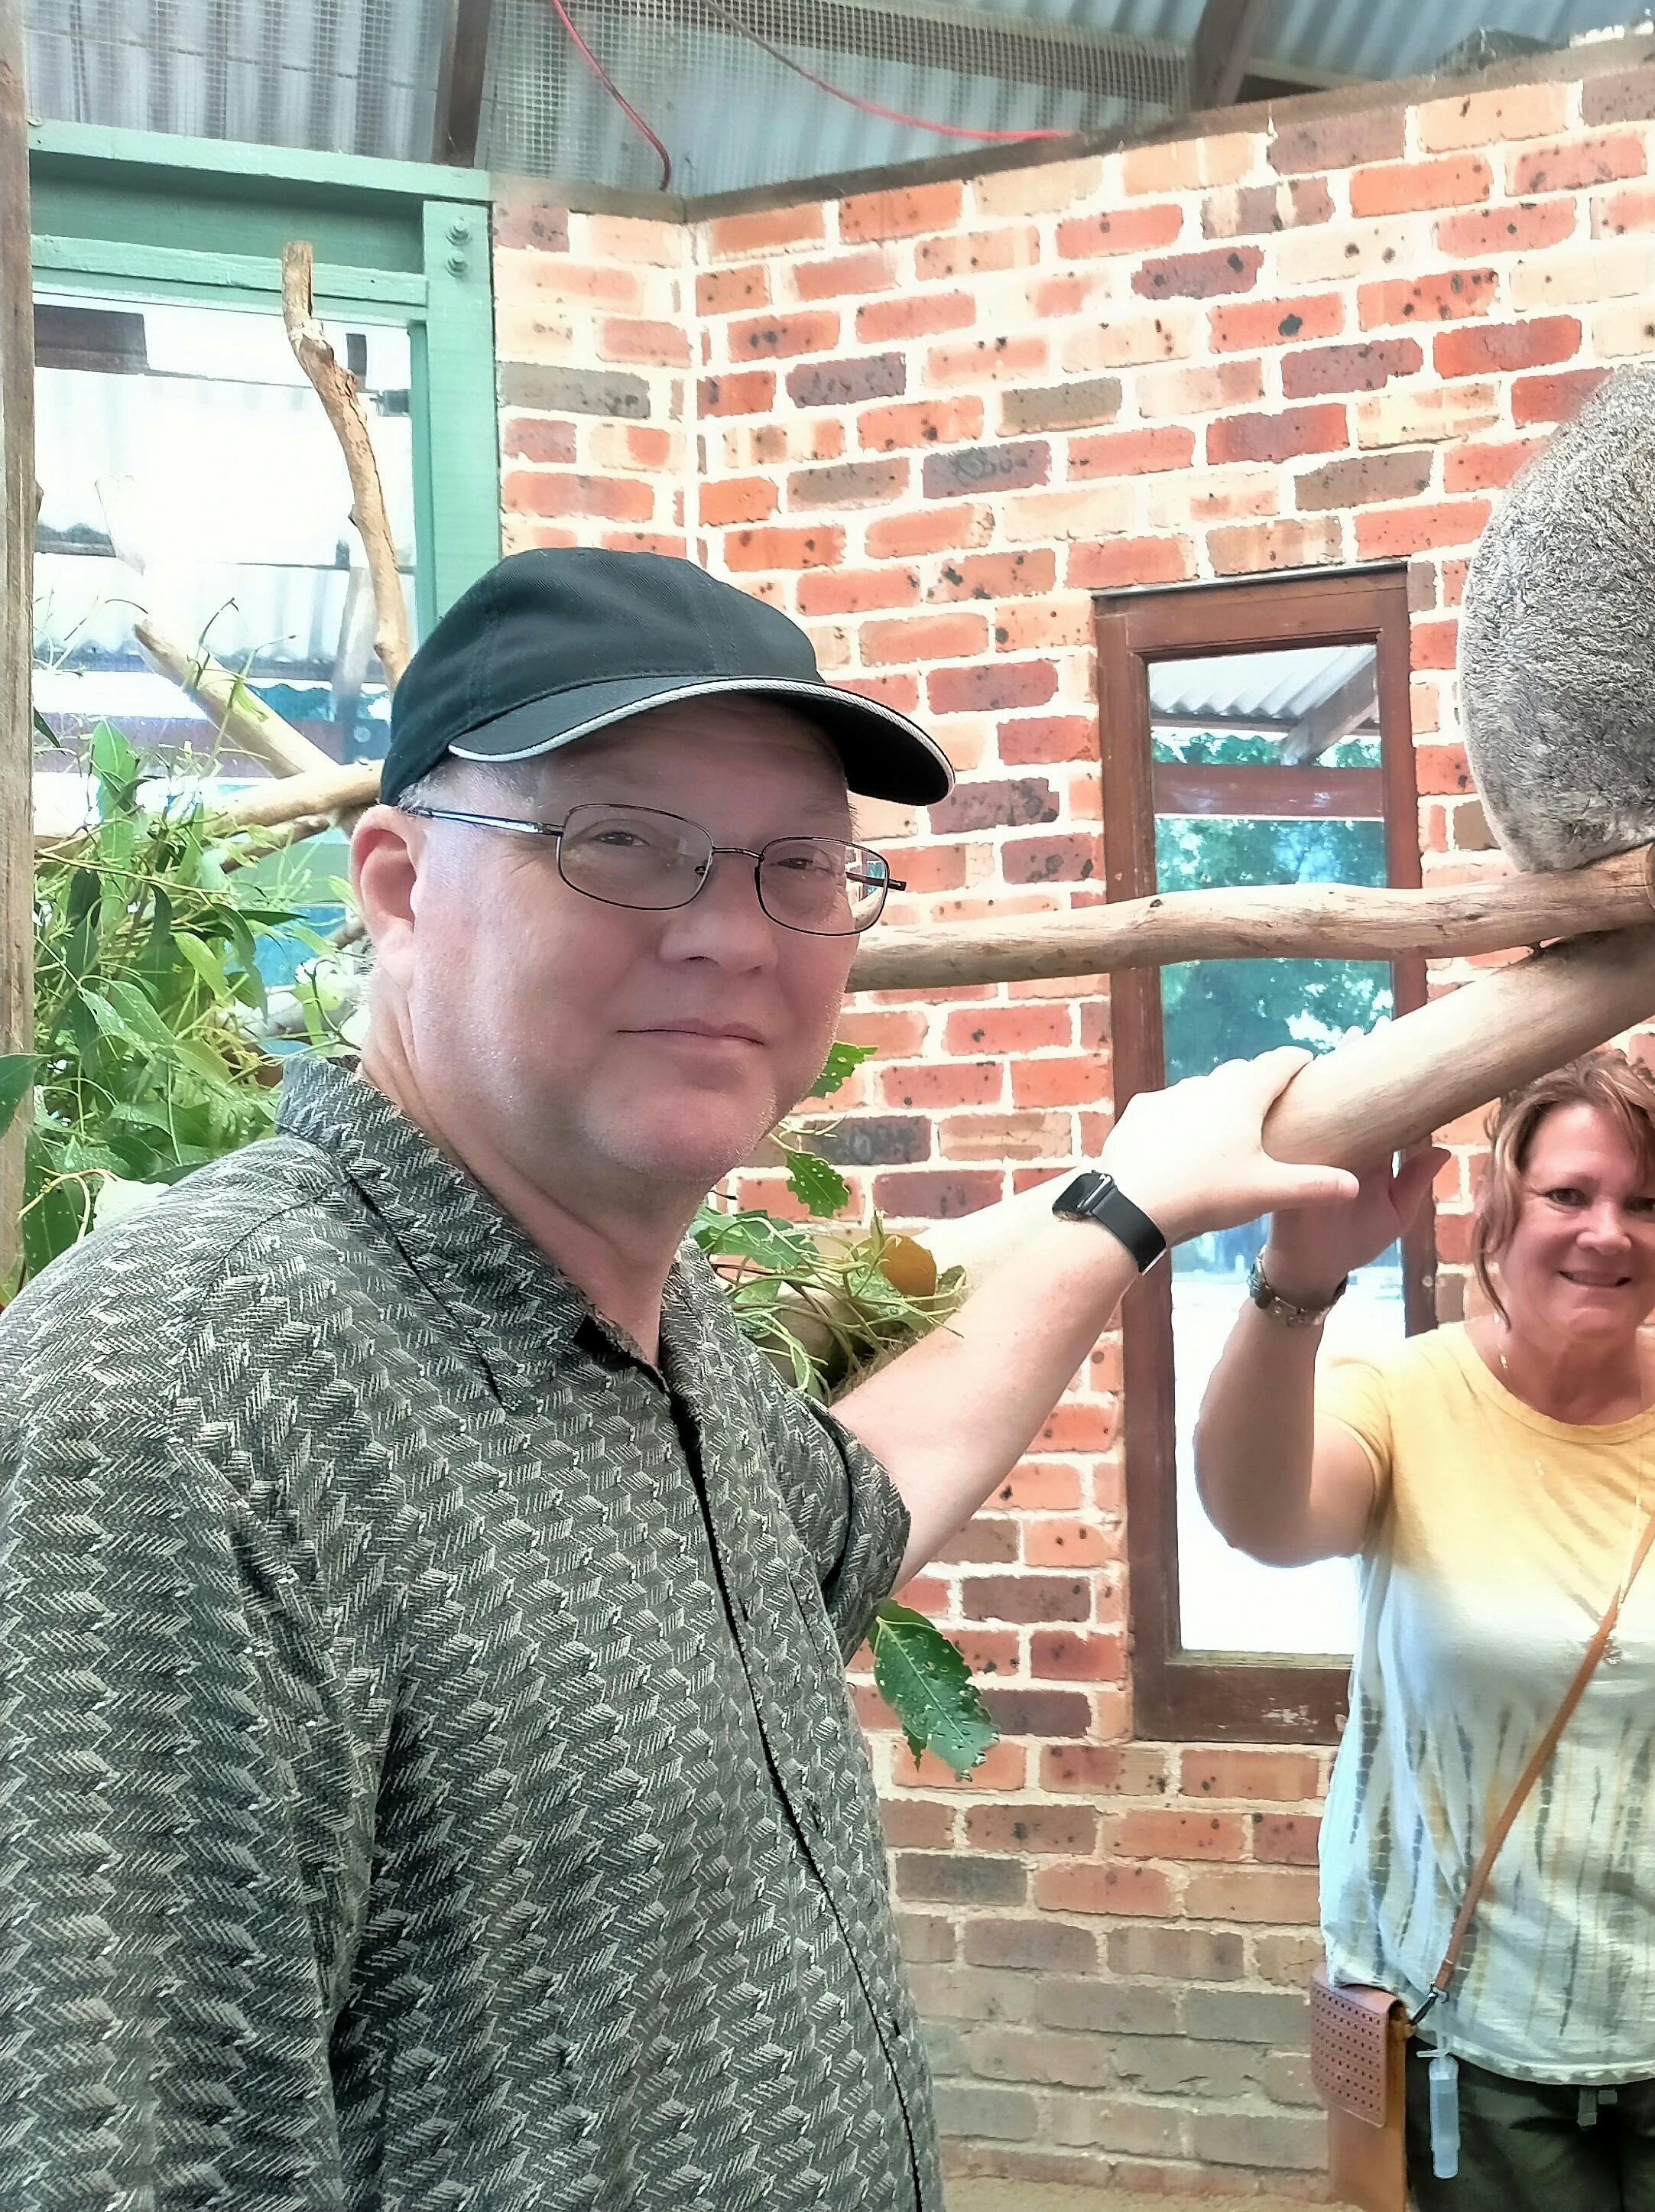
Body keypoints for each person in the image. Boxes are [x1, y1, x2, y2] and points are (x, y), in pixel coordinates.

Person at [0, 547, 1355, 2211]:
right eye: (625, 846)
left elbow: (853, 1515)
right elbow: (129, 2164)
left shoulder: (649, 1320)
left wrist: (1123, 1211)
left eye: (800, 864)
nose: (730, 932)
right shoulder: (183, 1409)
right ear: (398, 882)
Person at [1196, 1050, 1655, 2212]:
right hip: (1474, 2058)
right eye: (1569, 1194)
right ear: (1500, 1207)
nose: (1607, 1232)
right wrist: (1296, 1286)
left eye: (1645, 1203)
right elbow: (1258, 1514)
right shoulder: (1402, 1400)